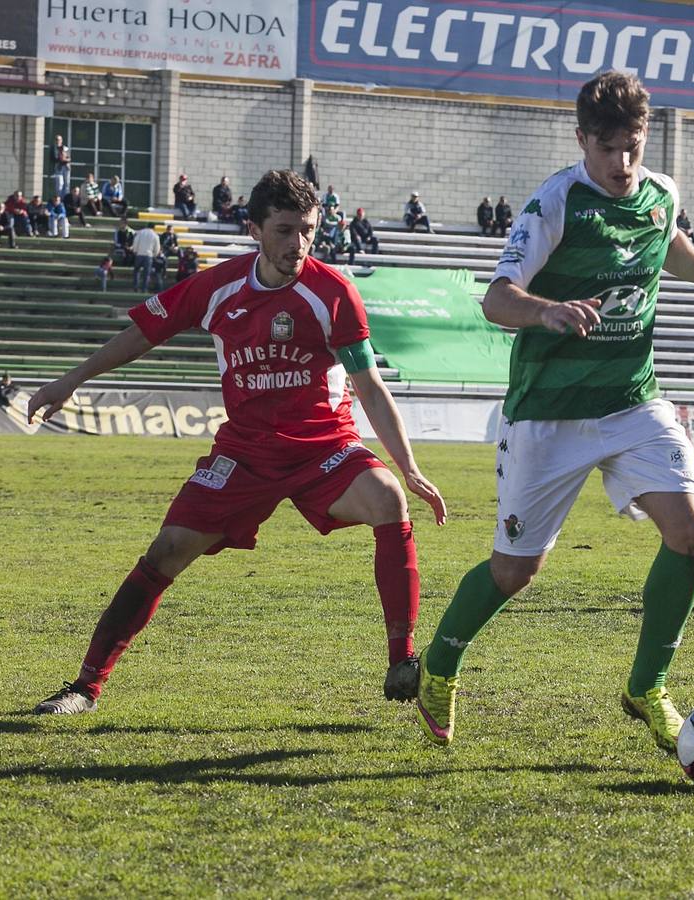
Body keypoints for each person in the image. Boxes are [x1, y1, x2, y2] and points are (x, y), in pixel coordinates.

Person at [28, 168, 447, 715]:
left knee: (389, 499)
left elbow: (368, 383)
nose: (297, 242)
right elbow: (142, 334)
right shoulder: (217, 286)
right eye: (284, 229)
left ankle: (403, 659)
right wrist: (71, 380)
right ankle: (85, 687)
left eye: (307, 230)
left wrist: (408, 466)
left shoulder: (333, 291)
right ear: (254, 228)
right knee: (167, 550)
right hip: (244, 453)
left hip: (324, 448)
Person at [412, 71, 694, 753]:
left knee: (691, 530)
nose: (623, 165)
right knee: (515, 572)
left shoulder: (658, 193)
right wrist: (549, 311)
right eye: (608, 150)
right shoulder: (555, 203)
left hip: (632, 401)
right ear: (581, 140)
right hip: (549, 413)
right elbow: (497, 300)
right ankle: (439, 665)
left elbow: (667, 238)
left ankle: (645, 686)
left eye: (634, 147)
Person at [131, 224, 163, 292]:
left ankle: (135, 286)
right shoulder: (155, 235)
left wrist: (135, 251)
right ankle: (144, 289)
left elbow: (135, 242)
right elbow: (157, 247)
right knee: (146, 274)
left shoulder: (140, 232)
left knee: (136, 271)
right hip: (148, 255)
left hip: (139, 254)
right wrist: (154, 254)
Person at [51, 134, 71, 199]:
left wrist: (64, 159)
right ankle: (59, 198)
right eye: (56, 139)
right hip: (58, 167)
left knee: (67, 184)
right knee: (59, 184)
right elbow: (53, 158)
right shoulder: (53, 148)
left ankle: (66, 198)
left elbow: (69, 158)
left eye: (59, 139)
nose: (58, 141)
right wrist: (60, 159)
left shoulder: (65, 148)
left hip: (66, 167)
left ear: (61, 140)